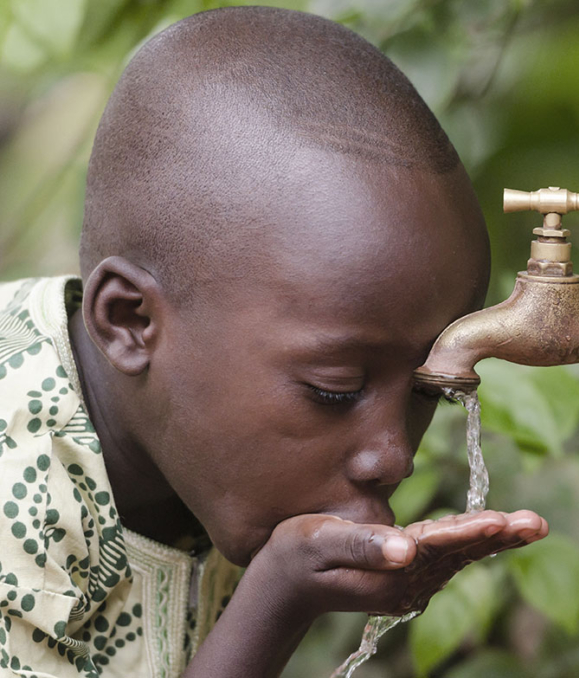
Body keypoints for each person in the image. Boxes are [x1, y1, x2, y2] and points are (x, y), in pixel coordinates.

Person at [0, 6, 548, 677]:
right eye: (334, 389)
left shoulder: (192, 439)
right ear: (130, 322)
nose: (393, 458)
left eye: (425, 392)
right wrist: (278, 600)